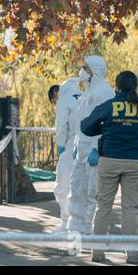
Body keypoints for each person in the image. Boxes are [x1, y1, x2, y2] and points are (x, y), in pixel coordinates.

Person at [81, 71, 138, 264]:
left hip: (109, 160)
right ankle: (133, 254)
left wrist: (105, 129)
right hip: (135, 162)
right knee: (131, 209)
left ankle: (97, 252)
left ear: (116, 86)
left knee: (103, 206)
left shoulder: (110, 105)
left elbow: (86, 126)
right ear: (135, 87)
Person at [67, 55, 115, 234]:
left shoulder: (105, 92)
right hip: (81, 148)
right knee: (77, 188)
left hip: (94, 150)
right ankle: (76, 227)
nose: (82, 71)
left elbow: (105, 124)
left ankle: (91, 229)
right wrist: (75, 145)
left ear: (94, 71)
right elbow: (81, 122)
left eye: (85, 68)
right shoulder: (86, 92)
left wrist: (96, 147)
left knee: (92, 191)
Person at [48, 79, 81, 233]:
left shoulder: (64, 99)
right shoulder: (82, 95)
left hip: (70, 144)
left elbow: (61, 126)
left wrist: (61, 144)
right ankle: (81, 223)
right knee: (81, 186)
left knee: (61, 186)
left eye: (53, 102)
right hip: (85, 144)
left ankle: (67, 223)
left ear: (56, 93)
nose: (55, 104)